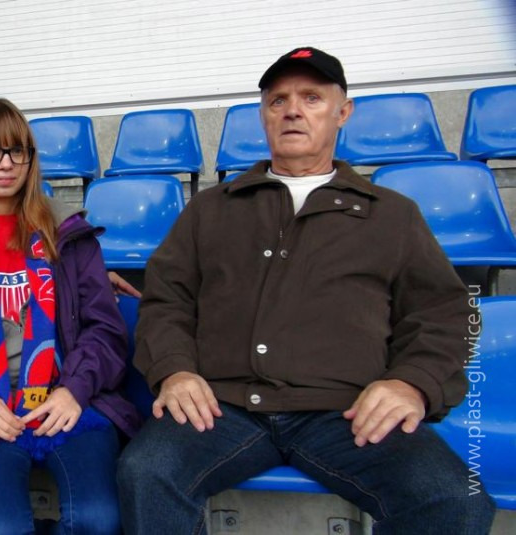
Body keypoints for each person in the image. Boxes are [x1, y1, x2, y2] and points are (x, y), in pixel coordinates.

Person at [117, 47, 496, 534]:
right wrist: (174, 371)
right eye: (278, 101)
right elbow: (166, 299)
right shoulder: (210, 209)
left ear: (343, 112)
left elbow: (445, 312)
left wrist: (412, 383)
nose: (292, 110)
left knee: (453, 499)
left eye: (311, 98)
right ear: (264, 116)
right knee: (145, 471)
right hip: (222, 406)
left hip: (346, 411)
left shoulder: (391, 214)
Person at [0, 98, 140, 534]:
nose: (6, 163)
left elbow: (105, 330)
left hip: (67, 402)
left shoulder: (68, 235)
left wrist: (74, 389)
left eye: (18, 151)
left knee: (97, 518)